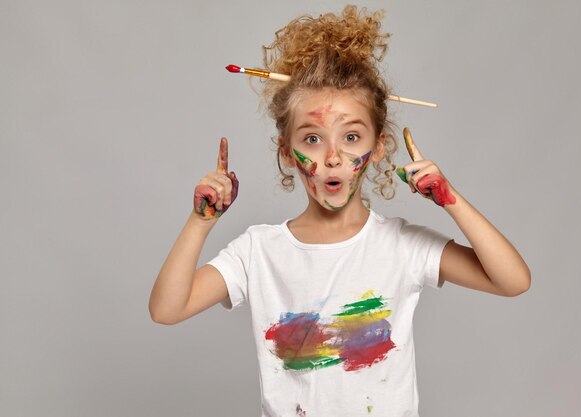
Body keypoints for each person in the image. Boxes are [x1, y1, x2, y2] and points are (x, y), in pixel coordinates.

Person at [149, 5, 530, 416]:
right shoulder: (258, 251)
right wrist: (200, 222)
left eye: (351, 136)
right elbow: (166, 309)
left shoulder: (402, 245)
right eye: (312, 138)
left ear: (379, 146)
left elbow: (513, 281)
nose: (332, 157)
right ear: (287, 152)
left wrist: (451, 200)